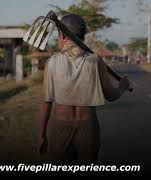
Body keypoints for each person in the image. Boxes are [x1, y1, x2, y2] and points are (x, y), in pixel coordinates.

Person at [37, 13, 130, 164]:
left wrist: (41, 135)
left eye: (58, 36)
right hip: (88, 127)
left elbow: (45, 102)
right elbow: (111, 95)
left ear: (62, 36)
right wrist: (122, 87)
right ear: (83, 37)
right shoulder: (96, 61)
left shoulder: (52, 62)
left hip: (61, 126)